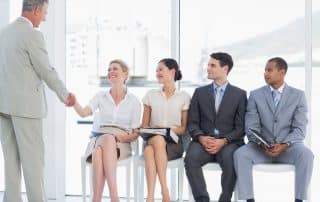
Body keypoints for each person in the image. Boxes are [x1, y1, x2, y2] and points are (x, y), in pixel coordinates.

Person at [0, 1, 75, 201]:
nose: (45, 17)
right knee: (33, 164)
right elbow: (46, 69)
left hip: (4, 106)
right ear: (36, 10)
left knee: (11, 163)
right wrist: (64, 94)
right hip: (26, 108)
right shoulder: (33, 34)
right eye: (44, 13)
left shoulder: (3, 32)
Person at [233, 57, 314, 202]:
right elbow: (251, 127)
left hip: (288, 148)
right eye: (265, 70)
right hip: (260, 148)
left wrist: (284, 144)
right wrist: (261, 143)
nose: (265, 73)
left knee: (307, 155)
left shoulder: (298, 96)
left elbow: (300, 129)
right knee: (240, 154)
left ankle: (299, 199)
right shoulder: (255, 95)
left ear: (282, 72)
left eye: (269, 70)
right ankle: (248, 199)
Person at [73, 59, 141, 202]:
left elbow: (135, 133)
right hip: (99, 137)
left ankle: (97, 199)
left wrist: (122, 138)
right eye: (109, 70)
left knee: (99, 151)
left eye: (115, 68)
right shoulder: (100, 96)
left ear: (125, 73)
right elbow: (84, 112)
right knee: (104, 141)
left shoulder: (134, 101)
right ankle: (114, 197)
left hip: (121, 143)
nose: (111, 72)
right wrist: (74, 103)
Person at [185, 52, 247, 202]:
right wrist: (200, 137)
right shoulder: (199, 93)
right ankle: (202, 199)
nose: (208, 68)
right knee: (190, 159)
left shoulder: (240, 94)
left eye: (213, 65)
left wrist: (224, 141)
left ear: (225, 68)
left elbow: (241, 128)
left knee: (231, 160)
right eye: (208, 65)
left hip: (229, 143)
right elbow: (192, 122)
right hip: (203, 141)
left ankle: (225, 199)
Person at [141, 58, 190, 202]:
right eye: (156, 70)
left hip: (174, 144)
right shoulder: (150, 95)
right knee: (155, 141)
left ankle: (152, 197)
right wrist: (155, 130)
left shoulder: (184, 97)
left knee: (150, 150)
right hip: (152, 139)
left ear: (172, 71)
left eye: (160, 69)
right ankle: (164, 191)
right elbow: (144, 125)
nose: (157, 73)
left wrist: (166, 129)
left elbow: (183, 128)